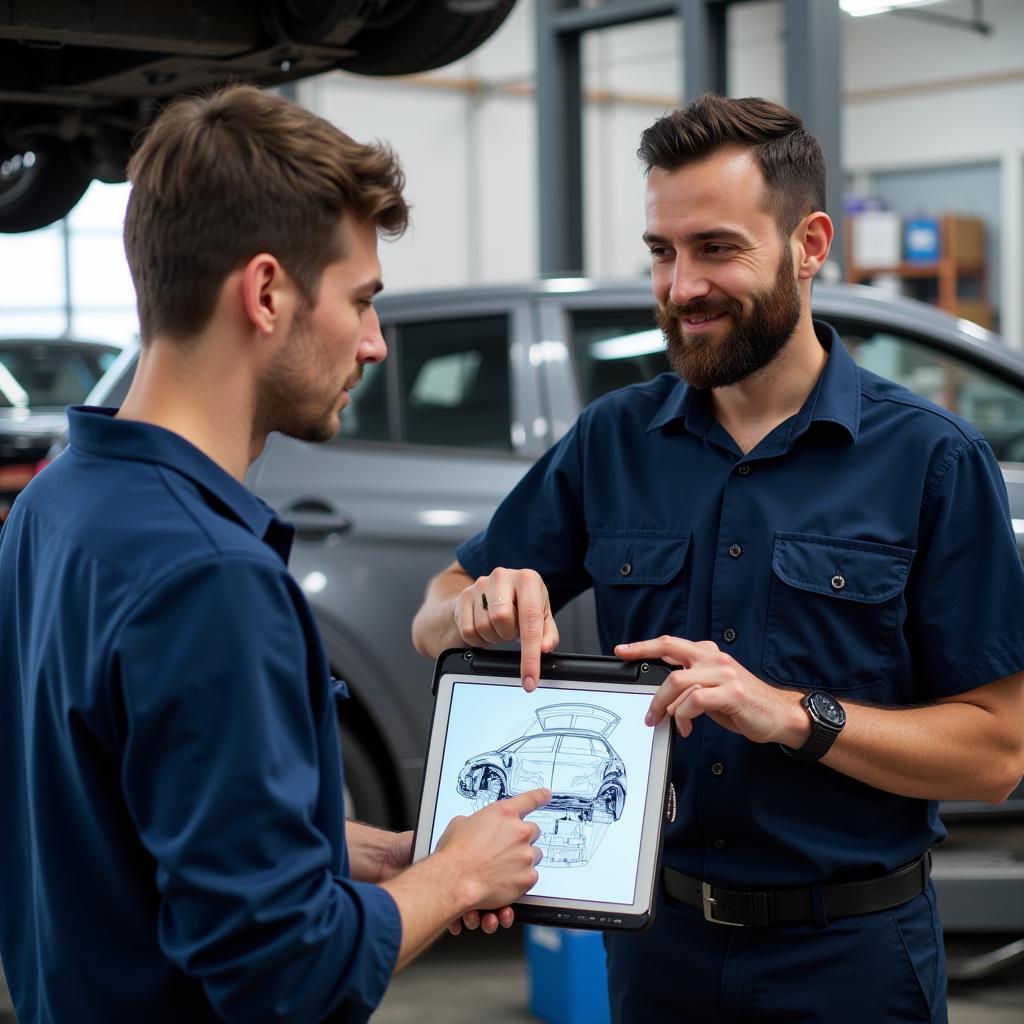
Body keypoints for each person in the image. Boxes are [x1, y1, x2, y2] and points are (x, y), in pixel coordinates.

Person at [412, 94, 1024, 1023]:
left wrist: (787, 715)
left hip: (852, 962)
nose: (680, 286)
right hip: (659, 954)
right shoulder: (613, 440)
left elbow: (996, 751)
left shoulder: (932, 460)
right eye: (663, 252)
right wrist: (476, 602)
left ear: (810, 243)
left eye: (717, 249)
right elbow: (435, 613)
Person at [0, 84, 550, 1024]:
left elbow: (103, 823)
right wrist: (456, 878)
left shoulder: (55, 502)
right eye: (362, 301)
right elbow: (288, 976)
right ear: (264, 293)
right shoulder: (211, 578)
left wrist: (333, 854)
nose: (375, 343)